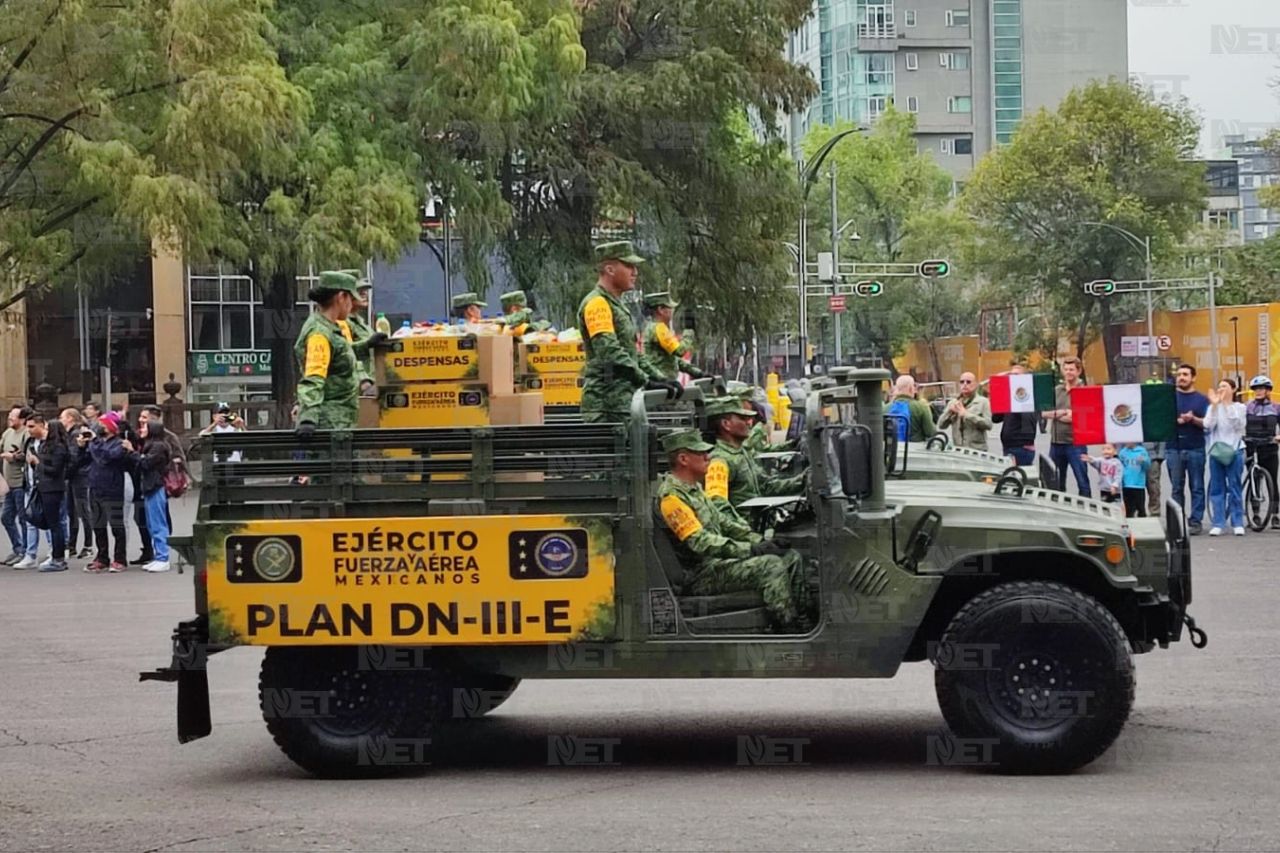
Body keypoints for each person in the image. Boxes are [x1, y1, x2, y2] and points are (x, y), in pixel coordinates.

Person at [654, 428, 803, 630]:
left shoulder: (694, 488)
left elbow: (723, 522)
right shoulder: (671, 498)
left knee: (790, 557)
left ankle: (803, 617)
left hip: (717, 564)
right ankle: (788, 627)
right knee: (771, 566)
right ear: (683, 459)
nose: (708, 457)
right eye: (700, 453)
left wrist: (760, 541)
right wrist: (749, 550)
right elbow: (701, 542)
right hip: (701, 573)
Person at [577, 241, 678, 423]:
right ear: (610, 269)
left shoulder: (616, 305)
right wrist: (646, 380)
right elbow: (609, 352)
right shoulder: (597, 304)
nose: (635, 272)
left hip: (621, 404)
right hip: (605, 407)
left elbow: (633, 354)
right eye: (629, 266)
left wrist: (661, 378)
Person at [294, 270, 363, 437]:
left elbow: (342, 356)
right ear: (341, 297)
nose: (352, 305)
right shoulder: (320, 333)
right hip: (330, 427)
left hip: (340, 423)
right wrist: (307, 419)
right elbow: (314, 377)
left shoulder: (332, 328)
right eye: (350, 299)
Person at [705, 397, 806, 508]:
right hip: (746, 524)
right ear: (726, 424)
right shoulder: (719, 461)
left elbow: (766, 487)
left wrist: (804, 479)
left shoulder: (742, 453)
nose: (750, 422)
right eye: (743, 418)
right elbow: (719, 507)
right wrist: (743, 526)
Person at [125, 416, 173, 572]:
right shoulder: (150, 445)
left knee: (158, 523)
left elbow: (145, 463)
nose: (141, 429)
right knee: (152, 524)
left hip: (156, 486)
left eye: (145, 427)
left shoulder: (158, 446)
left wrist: (132, 453)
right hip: (149, 487)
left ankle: (163, 557)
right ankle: (158, 555)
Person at [1166, 364, 1209, 535]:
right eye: (1179, 374)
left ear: (1194, 378)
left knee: (1197, 486)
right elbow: (1162, 421)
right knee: (1176, 487)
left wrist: (1193, 419)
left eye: (1185, 374)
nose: (1181, 377)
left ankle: (1196, 521)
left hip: (1195, 448)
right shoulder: (1169, 398)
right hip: (1173, 448)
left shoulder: (1202, 399)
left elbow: (1208, 423)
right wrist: (1179, 421)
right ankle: (1178, 521)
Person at [23, 414, 69, 572]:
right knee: (51, 523)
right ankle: (57, 556)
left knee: (55, 524)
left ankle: (58, 558)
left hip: (53, 488)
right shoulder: (46, 446)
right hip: (44, 487)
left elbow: (55, 470)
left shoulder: (59, 447)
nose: (46, 431)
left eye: (48, 429)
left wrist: (38, 463)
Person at [1042, 357, 1091, 498]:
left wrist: (1058, 415)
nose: (1068, 372)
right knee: (1055, 482)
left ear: (1079, 371)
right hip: (1056, 442)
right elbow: (1044, 413)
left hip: (1076, 443)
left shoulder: (1085, 391)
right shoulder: (1056, 390)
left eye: (1072, 370)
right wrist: (1063, 413)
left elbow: (1083, 417)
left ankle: (1086, 510)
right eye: (1066, 369)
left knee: (1082, 481)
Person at [86, 413, 130, 572]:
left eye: (102, 425)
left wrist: (94, 441)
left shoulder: (119, 444)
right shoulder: (95, 444)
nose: (98, 428)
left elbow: (106, 457)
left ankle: (120, 559)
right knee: (98, 525)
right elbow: (84, 460)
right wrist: (81, 446)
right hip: (95, 487)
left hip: (112, 489)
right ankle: (102, 557)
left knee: (116, 526)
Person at [1205, 378, 1246, 537]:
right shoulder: (1212, 407)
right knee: (1217, 488)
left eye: (1225, 386)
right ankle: (1218, 522)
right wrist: (1215, 406)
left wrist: (1227, 405)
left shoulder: (1240, 407)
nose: (1221, 389)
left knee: (1235, 487)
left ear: (1233, 389)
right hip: (1217, 451)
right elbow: (1208, 425)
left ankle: (1237, 522)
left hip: (1235, 450)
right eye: (1219, 386)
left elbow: (1238, 425)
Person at [339, 271, 387, 397]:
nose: (364, 294)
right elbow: (343, 353)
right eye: (359, 291)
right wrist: (367, 344)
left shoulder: (360, 322)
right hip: (355, 389)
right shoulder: (341, 322)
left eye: (365, 290)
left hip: (370, 385)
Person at [1244, 374, 1280, 529]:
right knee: (1254, 481)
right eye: (1256, 389)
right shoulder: (1247, 407)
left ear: (1268, 391)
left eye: (1262, 389)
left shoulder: (1276, 407)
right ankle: (1255, 514)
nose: (1258, 391)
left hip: (1269, 446)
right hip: (1251, 446)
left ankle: (1275, 515)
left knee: (1272, 480)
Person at [642, 291, 704, 381]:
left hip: (661, 381)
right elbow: (679, 351)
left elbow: (673, 360)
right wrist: (689, 331)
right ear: (660, 310)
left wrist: (697, 372)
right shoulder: (659, 328)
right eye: (669, 307)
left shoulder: (652, 327)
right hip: (662, 383)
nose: (672, 311)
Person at [60, 408, 94, 558]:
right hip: (76, 475)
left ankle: (87, 545)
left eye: (63, 417)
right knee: (73, 511)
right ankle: (73, 544)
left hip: (79, 476)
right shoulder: (72, 433)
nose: (61, 420)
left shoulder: (74, 434)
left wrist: (66, 473)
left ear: (70, 418)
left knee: (81, 510)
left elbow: (75, 457)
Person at [1, 405, 31, 565]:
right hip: (8, 484)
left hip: (20, 483)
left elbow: (28, 454)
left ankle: (26, 551)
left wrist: (13, 457)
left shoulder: (26, 434)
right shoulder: (7, 433)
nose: (10, 419)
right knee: (6, 518)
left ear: (22, 419)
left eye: (13, 417)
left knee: (23, 518)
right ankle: (17, 547)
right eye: (9, 417)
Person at [992, 364, 1039, 465]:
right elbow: (995, 418)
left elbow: (1028, 424)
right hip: (1008, 446)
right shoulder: (1011, 398)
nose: (1013, 377)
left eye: (1016, 375)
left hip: (1021, 448)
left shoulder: (1028, 397)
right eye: (1011, 375)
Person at [936, 372, 993, 452]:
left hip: (977, 450)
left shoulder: (983, 402)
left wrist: (966, 414)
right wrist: (949, 412)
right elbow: (941, 425)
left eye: (968, 382)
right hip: (958, 450)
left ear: (975, 384)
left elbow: (988, 424)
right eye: (962, 382)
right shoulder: (954, 402)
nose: (965, 384)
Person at [886, 374, 936, 444]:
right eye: (914, 386)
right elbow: (930, 432)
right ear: (911, 388)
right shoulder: (922, 407)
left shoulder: (885, 408)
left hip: (891, 451)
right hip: (915, 451)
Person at [1142, 377, 1167, 516]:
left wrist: (1160, 456)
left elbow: (1163, 435)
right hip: (1134, 454)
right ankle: (1136, 513)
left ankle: (1155, 513)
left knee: (1153, 487)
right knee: (1134, 487)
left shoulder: (1160, 412)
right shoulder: (1135, 408)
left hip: (1153, 455)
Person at [1118, 442, 1151, 518]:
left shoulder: (1142, 451)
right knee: (1129, 509)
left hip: (1139, 485)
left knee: (1140, 508)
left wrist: (1144, 461)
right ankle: (1130, 524)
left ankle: (1142, 524)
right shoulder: (1123, 452)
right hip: (1126, 485)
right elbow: (1119, 466)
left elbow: (1147, 467)